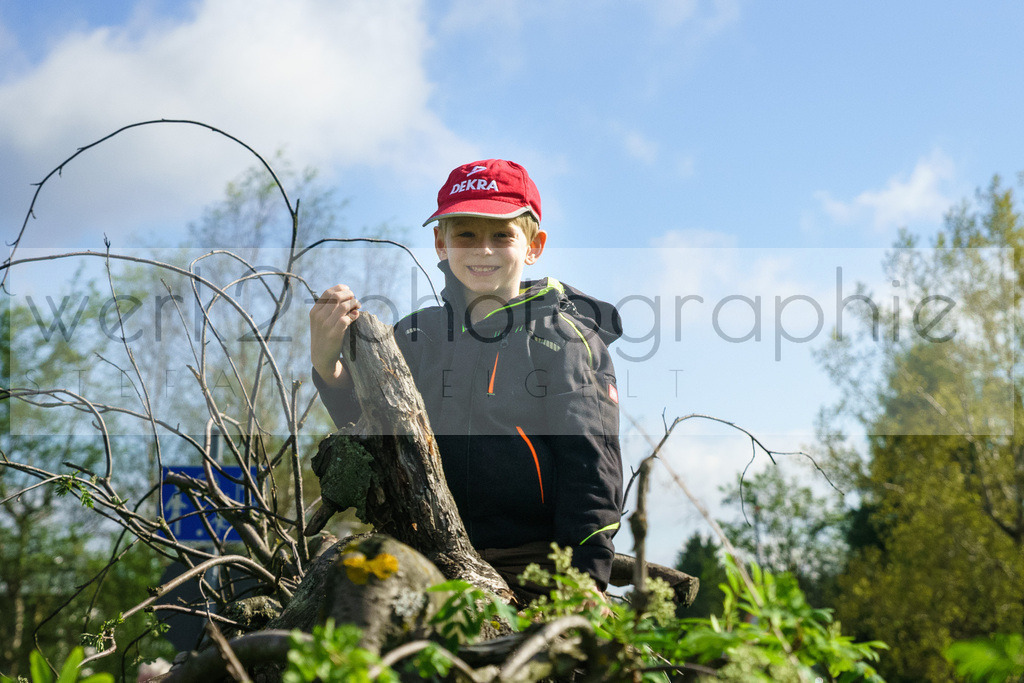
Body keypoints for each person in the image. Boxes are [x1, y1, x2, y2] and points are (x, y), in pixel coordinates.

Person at [309, 159, 623, 600]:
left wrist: (584, 586)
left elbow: (593, 472)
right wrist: (330, 367)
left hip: (532, 571)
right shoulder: (415, 336)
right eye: (466, 234)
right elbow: (372, 441)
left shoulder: (565, 340)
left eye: (502, 235)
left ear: (534, 246)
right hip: (420, 560)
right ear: (441, 242)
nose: (483, 249)